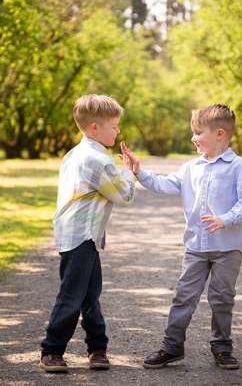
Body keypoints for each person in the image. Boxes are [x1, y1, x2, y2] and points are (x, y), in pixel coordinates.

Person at [121, 104, 242, 370]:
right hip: (196, 245)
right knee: (184, 295)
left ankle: (222, 347)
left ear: (220, 134)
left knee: (221, 297)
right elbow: (162, 185)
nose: (193, 137)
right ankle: (172, 347)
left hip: (228, 246)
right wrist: (139, 172)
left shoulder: (240, 167)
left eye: (198, 132)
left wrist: (225, 219)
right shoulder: (190, 168)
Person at [40, 94, 137, 373]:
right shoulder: (99, 160)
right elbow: (124, 197)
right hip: (81, 237)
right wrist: (130, 172)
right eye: (115, 125)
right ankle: (52, 350)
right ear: (95, 128)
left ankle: (97, 348)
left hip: (82, 236)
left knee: (90, 295)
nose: (118, 131)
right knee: (72, 296)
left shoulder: (74, 153)